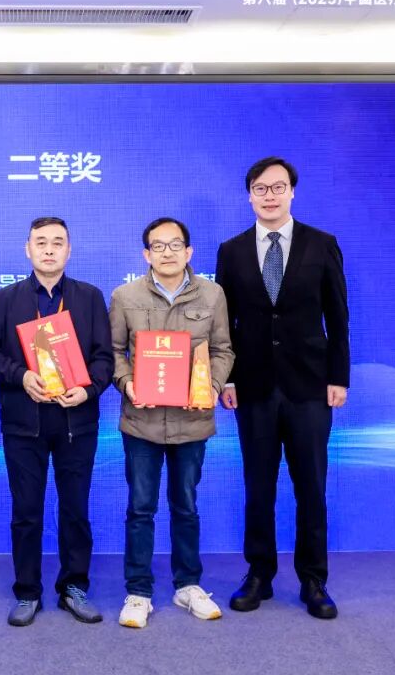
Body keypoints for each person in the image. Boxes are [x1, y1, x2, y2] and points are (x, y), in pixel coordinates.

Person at [215, 156, 350, 620]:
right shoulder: (231, 251)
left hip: (310, 386)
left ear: (292, 191)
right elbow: (224, 324)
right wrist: (227, 377)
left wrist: (338, 377)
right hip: (252, 386)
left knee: (311, 486)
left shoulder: (321, 244)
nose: (269, 196)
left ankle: (314, 579)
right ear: (249, 195)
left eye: (277, 187)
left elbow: (338, 317)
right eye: (260, 188)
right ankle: (259, 573)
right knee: (258, 486)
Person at [0, 217, 114, 626]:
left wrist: (88, 389)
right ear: (28, 249)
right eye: (41, 242)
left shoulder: (89, 297)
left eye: (57, 242)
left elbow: (105, 357)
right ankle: (27, 591)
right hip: (24, 424)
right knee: (26, 511)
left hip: (77, 422)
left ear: (69, 250)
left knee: (75, 510)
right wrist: (21, 376)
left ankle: (74, 587)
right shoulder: (5, 299)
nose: (49, 249)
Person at [109, 217, 234, 629]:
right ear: (146, 254)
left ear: (189, 251)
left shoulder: (213, 294)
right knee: (140, 509)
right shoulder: (125, 296)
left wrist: (210, 386)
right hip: (141, 421)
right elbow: (114, 352)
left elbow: (223, 349)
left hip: (192, 421)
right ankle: (138, 591)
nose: (167, 252)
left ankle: (188, 585)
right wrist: (127, 384)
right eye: (158, 246)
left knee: (186, 506)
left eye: (175, 244)